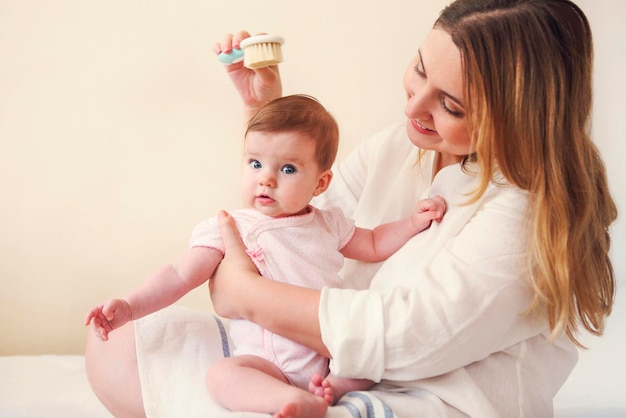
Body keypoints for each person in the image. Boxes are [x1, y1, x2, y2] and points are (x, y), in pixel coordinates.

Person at [84, 1, 618, 417]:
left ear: (518, 118)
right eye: (418, 68)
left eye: (450, 105)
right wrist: (266, 111)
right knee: (117, 345)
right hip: (324, 366)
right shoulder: (404, 148)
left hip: (418, 397)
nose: (413, 106)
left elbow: (407, 337)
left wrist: (249, 294)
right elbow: (303, 230)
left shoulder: (527, 217)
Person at [85, 94, 446, 417]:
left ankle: (333, 389)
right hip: (265, 363)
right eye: (255, 164)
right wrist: (130, 307)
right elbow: (180, 275)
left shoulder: (328, 223)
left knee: (368, 356)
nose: (266, 180)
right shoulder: (233, 227)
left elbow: (372, 244)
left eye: (287, 169)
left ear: (320, 183)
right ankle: (288, 400)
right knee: (222, 375)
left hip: (328, 351)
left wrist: (414, 222)